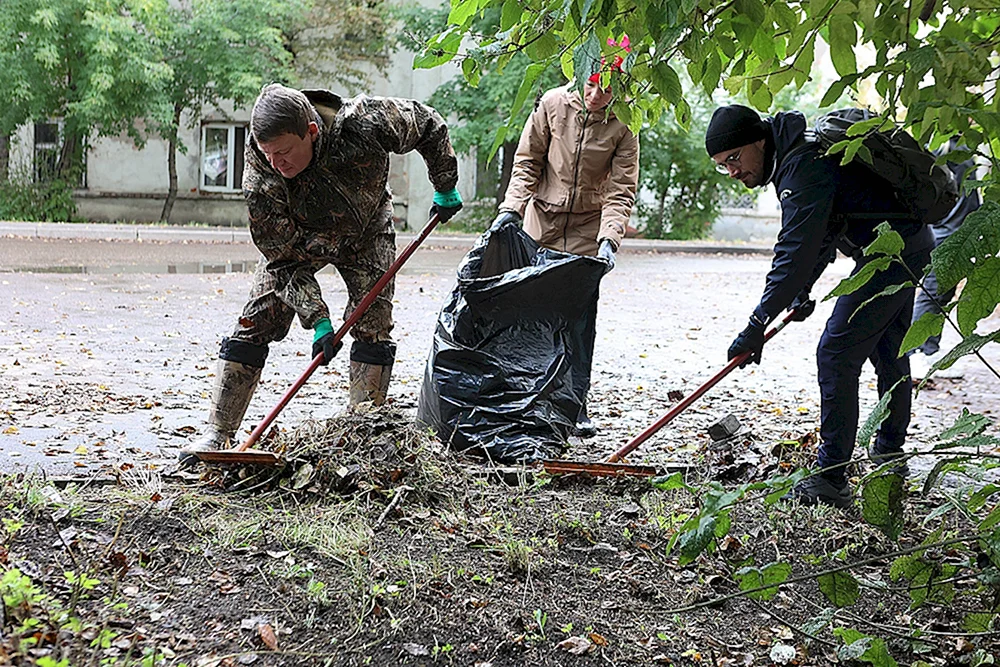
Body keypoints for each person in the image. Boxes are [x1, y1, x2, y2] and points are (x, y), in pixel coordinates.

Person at [179, 83, 462, 464]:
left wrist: (444, 184)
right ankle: (218, 432)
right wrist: (318, 319)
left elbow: (428, 125)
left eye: (283, 152)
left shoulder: (367, 122)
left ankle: (364, 434)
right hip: (299, 241)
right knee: (256, 318)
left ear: (311, 131)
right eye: (267, 153)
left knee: (373, 321)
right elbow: (279, 258)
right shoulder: (261, 171)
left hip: (366, 231)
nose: (276, 163)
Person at [706, 104, 934, 508]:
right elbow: (825, 231)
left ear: (759, 140)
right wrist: (801, 291)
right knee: (888, 352)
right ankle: (888, 456)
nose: (733, 171)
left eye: (735, 158)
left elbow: (794, 251)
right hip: (907, 245)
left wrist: (757, 322)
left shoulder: (802, 168)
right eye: (724, 166)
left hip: (891, 255)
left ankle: (831, 479)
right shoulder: (801, 156)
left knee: (835, 354)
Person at [489, 67, 639, 437]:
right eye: (590, 85)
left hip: (589, 230)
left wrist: (609, 240)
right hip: (544, 223)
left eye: (605, 90)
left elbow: (621, 190)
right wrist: (511, 210)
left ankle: (575, 405)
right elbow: (527, 163)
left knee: (578, 321)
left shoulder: (625, 124)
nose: (595, 96)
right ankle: (527, 399)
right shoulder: (552, 104)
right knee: (533, 315)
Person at [909, 137, 981, 379]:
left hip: (957, 234)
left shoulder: (959, 150)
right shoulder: (952, 151)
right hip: (948, 234)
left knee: (941, 293)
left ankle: (927, 349)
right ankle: (917, 352)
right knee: (933, 293)